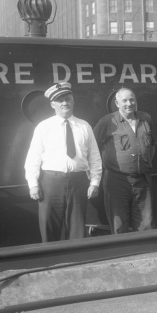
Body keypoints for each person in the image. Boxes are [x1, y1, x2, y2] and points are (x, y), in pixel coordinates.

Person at [24, 82, 102, 242]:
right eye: (60, 100)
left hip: (78, 182)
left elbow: (94, 156)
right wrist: (33, 184)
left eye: (67, 99)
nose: (64, 103)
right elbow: (33, 157)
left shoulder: (84, 126)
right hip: (51, 183)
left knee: (77, 228)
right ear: (53, 104)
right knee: (49, 227)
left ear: (73, 101)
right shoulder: (44, 127)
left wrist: (95, 182)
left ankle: (76, 262)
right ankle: (51, 263)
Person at [93, 87, 156, 234]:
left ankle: (147, 256)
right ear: (117, 103)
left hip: (142, 180)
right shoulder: (107, 121)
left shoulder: (146, 118)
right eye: (125, 100)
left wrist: (142, 164)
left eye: (132, 99)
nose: (129, 103)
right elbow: (92, 148)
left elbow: (152, 145)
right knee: (119, 225)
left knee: (146, 225)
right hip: (117, 181)